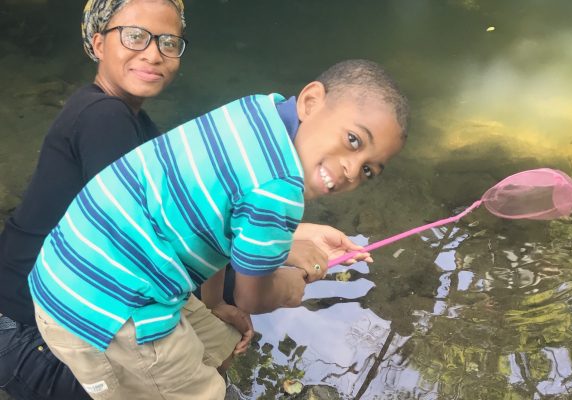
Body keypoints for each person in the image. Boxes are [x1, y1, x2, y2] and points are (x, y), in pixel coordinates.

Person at [28, 58, 409, 399]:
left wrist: (214, 305)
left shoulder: (257, 111)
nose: (351, 170)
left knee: (222, 342)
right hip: (104, 308)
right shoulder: (279, 187)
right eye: (353, 140)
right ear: (311, 101)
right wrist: (297, 281)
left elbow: (218, 229)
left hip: (78, 263)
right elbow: (254, 298)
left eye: (368, 170)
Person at [0, 0, 188, 399]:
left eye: (169, 42)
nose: (153, 53)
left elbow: (181, 205)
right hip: (23, 329)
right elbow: (143, 246)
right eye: (135, 36)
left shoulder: (131, 120)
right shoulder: (105, 117)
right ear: (99, 44)